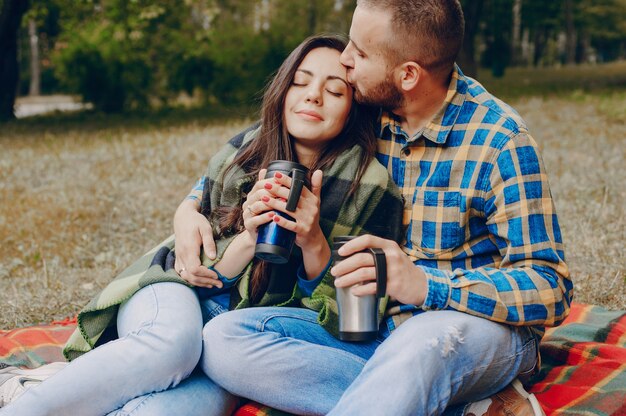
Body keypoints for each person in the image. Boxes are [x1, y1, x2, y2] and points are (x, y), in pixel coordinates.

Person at [196, 1, 573, 415]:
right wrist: (191, 202)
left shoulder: (500, 143)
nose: (345, 59)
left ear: (407, 75)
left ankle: (419, 389)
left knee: (422, 344)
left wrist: (427, 286)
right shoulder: (366, 106)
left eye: (359, 51)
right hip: (370, 326)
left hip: (463, 325)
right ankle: (448, 404)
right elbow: (269, 141)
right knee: (222, 340)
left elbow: (549, 285)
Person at [0, 34, 403, 415]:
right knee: (173, 346)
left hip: (241, 339)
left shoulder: (371, 188)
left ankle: (45, 384)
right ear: (283, 91)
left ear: (354, 107)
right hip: (176, 291)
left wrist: (313, 243)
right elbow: (196, 272)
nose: (313, 95)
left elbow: (353, 321)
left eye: (334, 91)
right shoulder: (246, 151)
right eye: (300, 83)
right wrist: (248, 237)